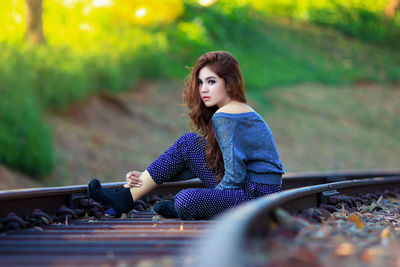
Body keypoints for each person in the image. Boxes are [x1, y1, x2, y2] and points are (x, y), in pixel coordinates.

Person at [88, 51, 284, 220]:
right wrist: (148, 178)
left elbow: (234, 178)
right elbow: (208, 164)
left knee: (185, 199)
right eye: (200, 82)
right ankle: (125, 198)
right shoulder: (237, 109)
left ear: (229, 83)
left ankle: (176, 206)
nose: (203, 89)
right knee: (190, 143)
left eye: (211, 81)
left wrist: (209, 202)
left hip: (256, 196)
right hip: (250, 189)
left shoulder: (226, 115)